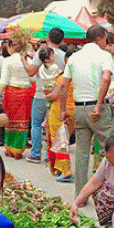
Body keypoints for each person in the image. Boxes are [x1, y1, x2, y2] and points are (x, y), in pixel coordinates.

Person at [61, 25, 114, 196]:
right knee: (111, 148)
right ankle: (109, 192)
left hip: (79, 108)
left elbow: (64, 84)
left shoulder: (74, 57)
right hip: (97, 108)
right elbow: (106, 77)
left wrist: (63, 109)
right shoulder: (104, 56)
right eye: (106, 39)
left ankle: (81, 194)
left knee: (82, 153)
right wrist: (99, 105)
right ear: (99, 38)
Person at [21, 28, 66, 164]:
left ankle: (36, 154)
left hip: (41, 94)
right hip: (58, 95)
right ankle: (50, 155)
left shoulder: (42, 52)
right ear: (62, 40)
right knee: (53, 126)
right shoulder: (64, 55)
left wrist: (23, 58)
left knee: (36, 124)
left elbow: (30, 71)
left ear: (48, 39)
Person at [0, 31, 34, 159]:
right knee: (22, 122)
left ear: (12, 46)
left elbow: (4, 80)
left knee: (10, 121)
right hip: (25, 93)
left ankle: (9, 147)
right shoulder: (28, 59)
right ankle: (18, 149)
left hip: (11, 93)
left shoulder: (8, 60)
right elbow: (33, 78)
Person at [46, 48, 76, 182]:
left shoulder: (63, 78)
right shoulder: (83, 77)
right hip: (75, 110)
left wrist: (47, 95)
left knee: (59, 140)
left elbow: (55, 95)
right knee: (66, 139)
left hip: (60, 110)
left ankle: (65, 170)